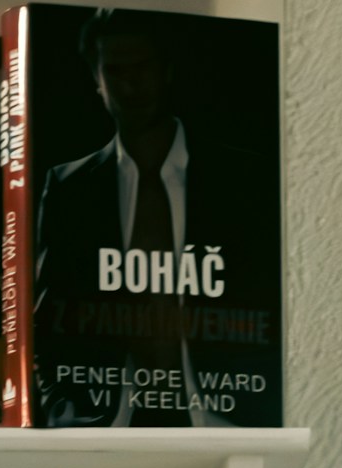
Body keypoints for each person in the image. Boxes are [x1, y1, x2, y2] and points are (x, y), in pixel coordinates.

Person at [31, 8, 280, 429]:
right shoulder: (68, 187)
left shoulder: (245, 178)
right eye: (115, 70)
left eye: (143, 67)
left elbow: (268, 311)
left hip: (228, 422)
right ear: (97, 81)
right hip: (106, 427)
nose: (131, 83)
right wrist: (65, 414)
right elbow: (48, 327)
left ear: (166, 71)